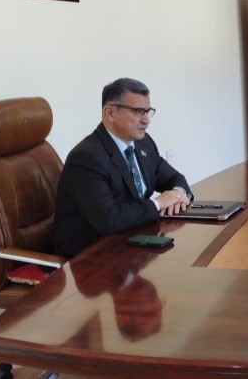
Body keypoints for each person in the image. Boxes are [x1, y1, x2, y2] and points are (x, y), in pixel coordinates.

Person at [52, 78, 192, 258]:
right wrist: (158, 203)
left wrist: (178, 195)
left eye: (148, 111)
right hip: (92, 257)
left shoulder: (144, 143)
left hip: (133, 243)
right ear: (109, 113)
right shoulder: (87, 157)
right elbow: (108, 219)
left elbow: (174, 178)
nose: (146, 120)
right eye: (137, 111)